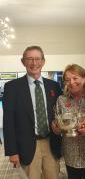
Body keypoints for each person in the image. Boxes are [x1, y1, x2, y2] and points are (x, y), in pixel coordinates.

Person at [3, 46, 62, 179]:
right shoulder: (12, 87)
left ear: (43, 61)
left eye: (37, 59)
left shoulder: (54, 86)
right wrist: (12, 152)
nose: (34, 63)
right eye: (29, 59)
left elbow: (60, 113)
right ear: (23, 62)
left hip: (51, 143)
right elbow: (8, 123)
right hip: (27, 147)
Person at [52, 64, 85, 179]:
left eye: (75, 78)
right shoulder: (61, 100)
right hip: (70, 154)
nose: (71, 82)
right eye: (67, 80)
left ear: (84, 78)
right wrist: (57, 128)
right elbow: (57, 125)